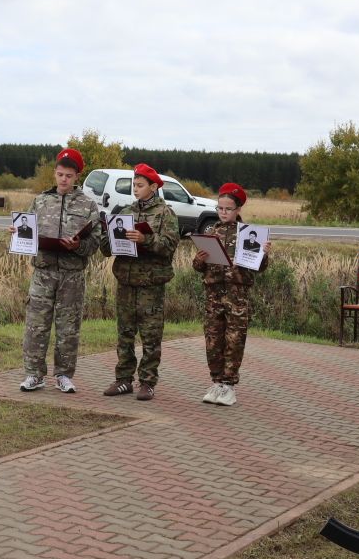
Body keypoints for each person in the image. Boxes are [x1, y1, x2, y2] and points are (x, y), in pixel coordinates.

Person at [14, 148, 102, 393]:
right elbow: (27, 231)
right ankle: (34, 374)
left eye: (69, 176)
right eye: (60, 174)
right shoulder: (40, 201)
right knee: (36, 326)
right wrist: (18, 233)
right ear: (55, 173)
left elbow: (95, 242)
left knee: (68, 328)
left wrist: (78, 246)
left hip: (71, 276)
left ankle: (63, 375)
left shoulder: (87, 205)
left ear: (77, 177)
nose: (64, 179)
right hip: (43, 273)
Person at [99, 163, 179, 401]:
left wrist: (146, 239)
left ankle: (147, 382)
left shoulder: (165, 214)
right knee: (124, 334)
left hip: (150, 285)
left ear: (153, 187)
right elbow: (106, 249)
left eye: (140, 185)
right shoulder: (125, 211)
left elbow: (169, 247)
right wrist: (108, 236)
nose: (135, 189)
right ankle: (123, 380)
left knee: (150, 336)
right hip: (126, 281)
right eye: (134, 185)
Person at [194, 183, 271, 406]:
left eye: (228, 209)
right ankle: (217, 382)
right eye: (220, 208)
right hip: (213, 295)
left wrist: (263, 254)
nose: (223, 212)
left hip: (236, 295)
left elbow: (260, 267)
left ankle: (228, 386)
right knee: (213, 339)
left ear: (238, 209)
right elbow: (198, 267)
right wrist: (199, 259)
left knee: (234, 340)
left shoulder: (248, 234)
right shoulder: (211, 232)